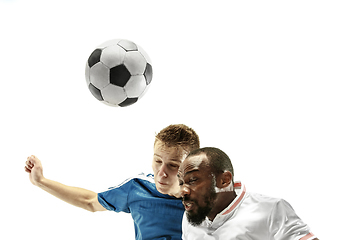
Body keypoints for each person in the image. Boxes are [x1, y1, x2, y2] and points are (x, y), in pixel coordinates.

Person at [25, 124, 200, 240]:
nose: (161, 173)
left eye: (172, 165)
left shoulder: (210, 199)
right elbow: (89, 202)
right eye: (158, 161)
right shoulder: (138, 188)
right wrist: (41, 181)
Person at [178, 147, 319, 240]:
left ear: (224, 180)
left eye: (193, 180)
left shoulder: (270, 209)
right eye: (181, 183)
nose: (183, 190)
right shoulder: (190, 216)